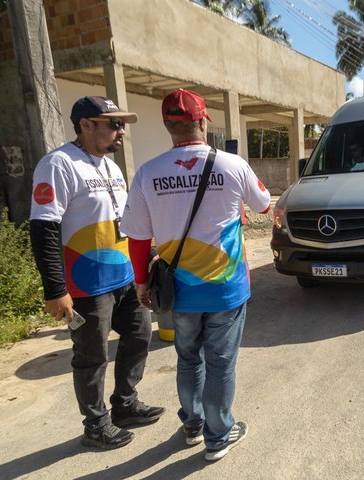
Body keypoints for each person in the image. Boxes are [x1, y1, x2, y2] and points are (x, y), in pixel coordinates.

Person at [120, 89, 271, 462]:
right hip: (225, 288)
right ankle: (218, 436)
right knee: (220, 362)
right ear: (203, 122)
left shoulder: (147, 173)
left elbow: (137, 238)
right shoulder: (232, 164)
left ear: (168, 125)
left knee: (188, 358)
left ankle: (193, 424)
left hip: (178, 290)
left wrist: (141, 282)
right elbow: (264, 205)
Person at [29, 96, 165, 450]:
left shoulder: (112, 168)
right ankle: (95, 424)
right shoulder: (58, 164)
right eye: (114, 124)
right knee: (91, 356)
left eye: (122, 125)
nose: (121, 131)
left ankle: (125, 404)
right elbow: (43, 228)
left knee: (138, 338)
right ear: (86, 124)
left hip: (123, 277)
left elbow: (125, 222)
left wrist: (147, 259)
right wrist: (55, 289)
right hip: (85, 284)